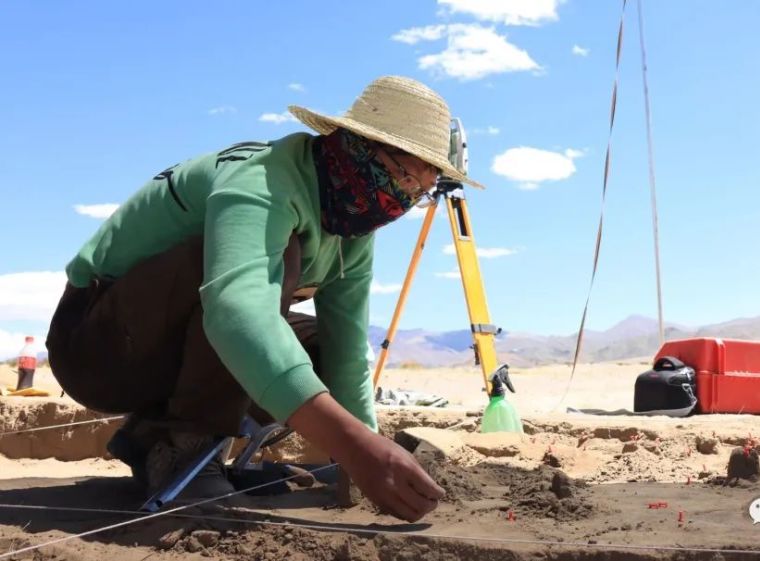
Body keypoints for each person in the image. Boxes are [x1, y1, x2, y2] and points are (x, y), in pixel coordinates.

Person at [45, 75, 482, 522]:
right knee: (256, 280)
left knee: (318, 348)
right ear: (360, 147)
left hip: (158, 348)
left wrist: (358, 452)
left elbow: (347, 349)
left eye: (420, 191)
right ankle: (185, 451)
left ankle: (157, 440)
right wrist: (355, 446)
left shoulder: (350, 226)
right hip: (97, 347)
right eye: (405, 176)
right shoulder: (264, 180)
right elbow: (238, 313)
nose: (405, 199)